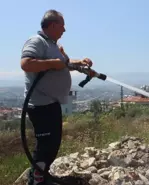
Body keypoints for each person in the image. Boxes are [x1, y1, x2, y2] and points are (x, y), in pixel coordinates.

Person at [20, 9, 93, 185]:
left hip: (51, 103)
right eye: (62, 26)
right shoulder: (37, 41)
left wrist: (79, 63)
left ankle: (43, 175)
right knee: (45, 144)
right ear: (53, 25)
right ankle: (36, 180)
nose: (64, 30)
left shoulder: (51, 44)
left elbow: (62, 64)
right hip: (40, 105)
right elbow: (26, 63)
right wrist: (55, 62)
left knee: (53, 143)